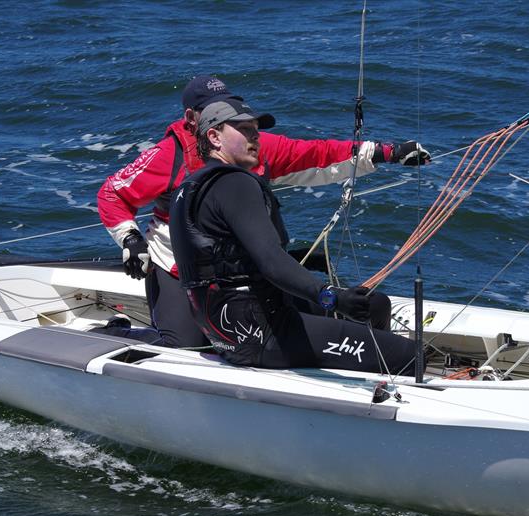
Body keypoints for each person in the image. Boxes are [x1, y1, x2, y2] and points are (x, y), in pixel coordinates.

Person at [97, 75, 430, 348]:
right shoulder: (168, 155)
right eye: (212, 109)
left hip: (244, 273)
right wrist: (131, 240)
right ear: (192, 119)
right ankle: (118, 332)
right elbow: (112, 192)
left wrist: (388, 152)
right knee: (185, 344)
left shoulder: (251, 144)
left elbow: (317, 154)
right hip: (177, 269)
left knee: (311, 319)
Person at [168, 98, 418, 374]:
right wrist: (330, 297)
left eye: (256, 130)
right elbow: (270, 261)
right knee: (409, 356)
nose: (256, 137)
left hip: (228, 328)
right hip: (264, 331)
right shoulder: (235, 183)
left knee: (374, 306)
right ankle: (370, 395)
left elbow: (225, 257)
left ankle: (356, 373)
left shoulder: (190, 187)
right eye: (244, 129)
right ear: (214, 137)